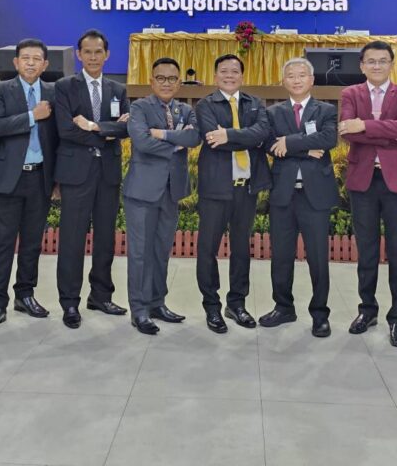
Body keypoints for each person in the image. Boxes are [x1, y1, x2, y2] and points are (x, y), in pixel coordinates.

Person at [338, 40, 397, 347]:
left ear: (391, 64)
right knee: (367, 251)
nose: (376, 66)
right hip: (364, 181)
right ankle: (367, 310)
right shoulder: (350, 93)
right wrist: (388, 134)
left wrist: (365, 126)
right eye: (371, 61)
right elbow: (348, 132)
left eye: (382, 61)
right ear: (362, 65)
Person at [0, 39, 59, 334]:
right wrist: (31, 116)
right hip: (7, 179)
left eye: (37, 58)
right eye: (25, 58)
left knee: (32, 243)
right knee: (2, 243)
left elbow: (58, 136)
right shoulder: (1, 90)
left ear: (45, 64)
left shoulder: (53, 92)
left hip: (40, 178)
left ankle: (25, 295)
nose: (31, 63)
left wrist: (57, 179)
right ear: (15, 62)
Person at [54, 29, 130, 328]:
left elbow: (125, 129)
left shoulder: (118, 89)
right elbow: (65, 130)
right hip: (76, 173)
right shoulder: (64, 87)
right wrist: (106, 132)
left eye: (99, 52)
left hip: (107, 174)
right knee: (72, 239)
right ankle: (70, 301)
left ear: (107, 54)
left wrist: (94, 126)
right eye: (88, 52)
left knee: (105, 237)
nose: (94, 57)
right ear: (79, 54)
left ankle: (101, 295)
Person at [259, 57, 339, 338]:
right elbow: (269, 145)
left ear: (311, 80)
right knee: (281, 255)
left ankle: (320, 314)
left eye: (301, 75)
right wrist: (306, 149)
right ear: (283, 81)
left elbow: (328, 140)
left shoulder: (326, 110)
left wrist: (289, 142)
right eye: (290, 75)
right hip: (283, 193)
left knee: (318, 257)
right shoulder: (273, 112)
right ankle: (283, 307)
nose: (296, 79)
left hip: (315, 195)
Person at [195, 53, 272, 333]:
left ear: (242, 75)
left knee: (241, 249)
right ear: (216, 76)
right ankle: (212, 306)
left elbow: (262, 134)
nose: (229, 76)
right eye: (224, 71)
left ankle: (237, 303)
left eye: (235, 71)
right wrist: (246, 137)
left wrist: (227, 134)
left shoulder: (255, 103)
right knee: (208, 249)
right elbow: (211, 139)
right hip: (215, 188)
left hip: (246, 188)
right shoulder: (205, 105)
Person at [123, 57, 200, 335]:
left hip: (171, 191)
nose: (166, 83)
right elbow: (142, 142)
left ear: (179, 82)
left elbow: (194, 139)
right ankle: (140, 310)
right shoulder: (139, 107)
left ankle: (157, 303)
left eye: (172, 79)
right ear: (151, 81)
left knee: (160, 251)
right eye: (161, 78)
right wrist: (176, 143)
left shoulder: (185, 110)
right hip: (142, 192)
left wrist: (162, 134)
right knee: (140, 254)